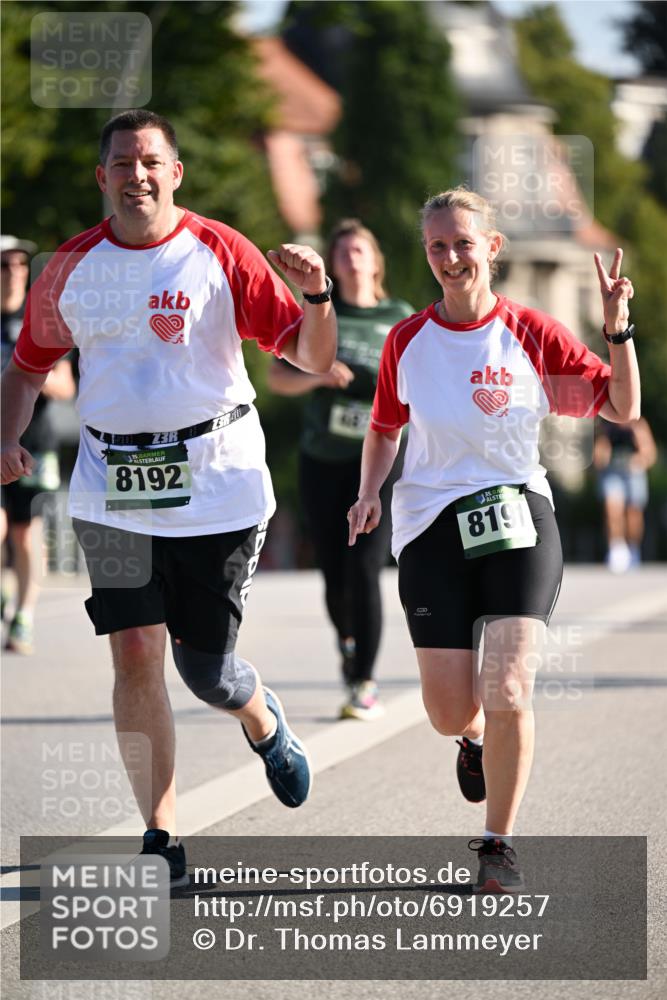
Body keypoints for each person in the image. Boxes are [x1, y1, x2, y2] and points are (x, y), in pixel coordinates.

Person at [1, 110, 337, 885]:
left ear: (175, 172)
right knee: (136, 651)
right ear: (103, 178)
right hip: (109, 489)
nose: (137, 175)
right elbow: (25, 368)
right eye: (122, 163)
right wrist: (5, 437)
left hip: (216, 485)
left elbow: (310, 357)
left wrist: (316, 298)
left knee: (206, 672)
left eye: (151, 161)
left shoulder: (219, 251)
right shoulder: (71, 267)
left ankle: (262, 720)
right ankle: (162, 837)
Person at [348, 187, 639, 892]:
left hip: (517, 517)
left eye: (463, 243)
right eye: (437, 246)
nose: (451, 257)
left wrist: (616, 329)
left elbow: (622, 407)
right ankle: (471, 740)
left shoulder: (532, 335)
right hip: (430, 526)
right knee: (450, 708)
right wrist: (367, 494)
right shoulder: (406, 341)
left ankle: (497, 842)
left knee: (508, 685)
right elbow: (386, 427)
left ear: (492, 248)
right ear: (427, 253)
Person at [267, 220, 413, 720]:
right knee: (333, 572)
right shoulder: (321, 312)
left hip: (379, 462)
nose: (351, 257)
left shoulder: (399, 318)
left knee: (366, 568)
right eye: (342, 251)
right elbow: (276, 376)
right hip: (323, 461)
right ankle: (347, 643)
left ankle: (364, 680)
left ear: (376, 261)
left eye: (360, 248)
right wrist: (319, 377)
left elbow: (423, 380)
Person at [1, 235, 76, 654]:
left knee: (25, 534)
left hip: (34, 443)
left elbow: (65, 386)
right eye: (4, 265)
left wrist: (26, 371)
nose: (13, 272)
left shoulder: (40, 319)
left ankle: (24, 616)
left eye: (19, 265)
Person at [593, 416, 656, 572]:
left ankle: (633, 549)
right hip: (612, 473)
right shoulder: (607, 428)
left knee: (633, 514)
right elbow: (598, 457)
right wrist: (602, 453)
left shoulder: (638, 425)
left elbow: (649, 454)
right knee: (612, 510)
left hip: (633, 473)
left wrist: (639, 459)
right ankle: (617, 549)